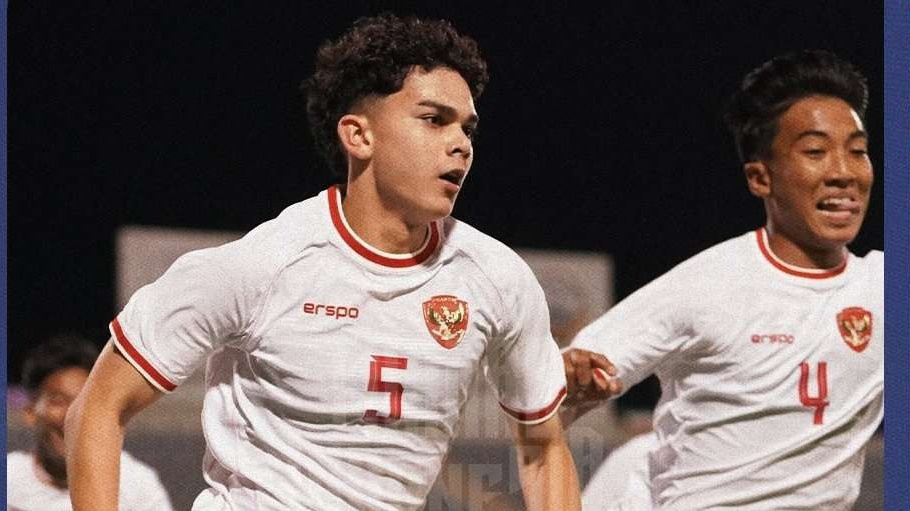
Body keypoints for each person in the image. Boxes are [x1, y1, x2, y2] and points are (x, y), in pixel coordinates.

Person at [65, 14, 580, 511]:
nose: (460, 145)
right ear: (359, 136)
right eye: (433, 119)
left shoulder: (497, 279)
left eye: (467, 128)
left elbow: (543, 446)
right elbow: (96, 409)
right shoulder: (261, 266)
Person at [562, 49, 882, 510]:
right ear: (760, 177)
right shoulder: (709, 284)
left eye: (857, 151)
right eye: (815, 151)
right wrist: (569, 383)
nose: (843, 172)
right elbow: (559, 387)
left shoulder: (882, 289)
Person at [7, 334, 174, 511]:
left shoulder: (138, 484)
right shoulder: (8, 478)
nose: (71, 416)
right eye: (58, 401)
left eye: (82, 402)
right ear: (30, 412)